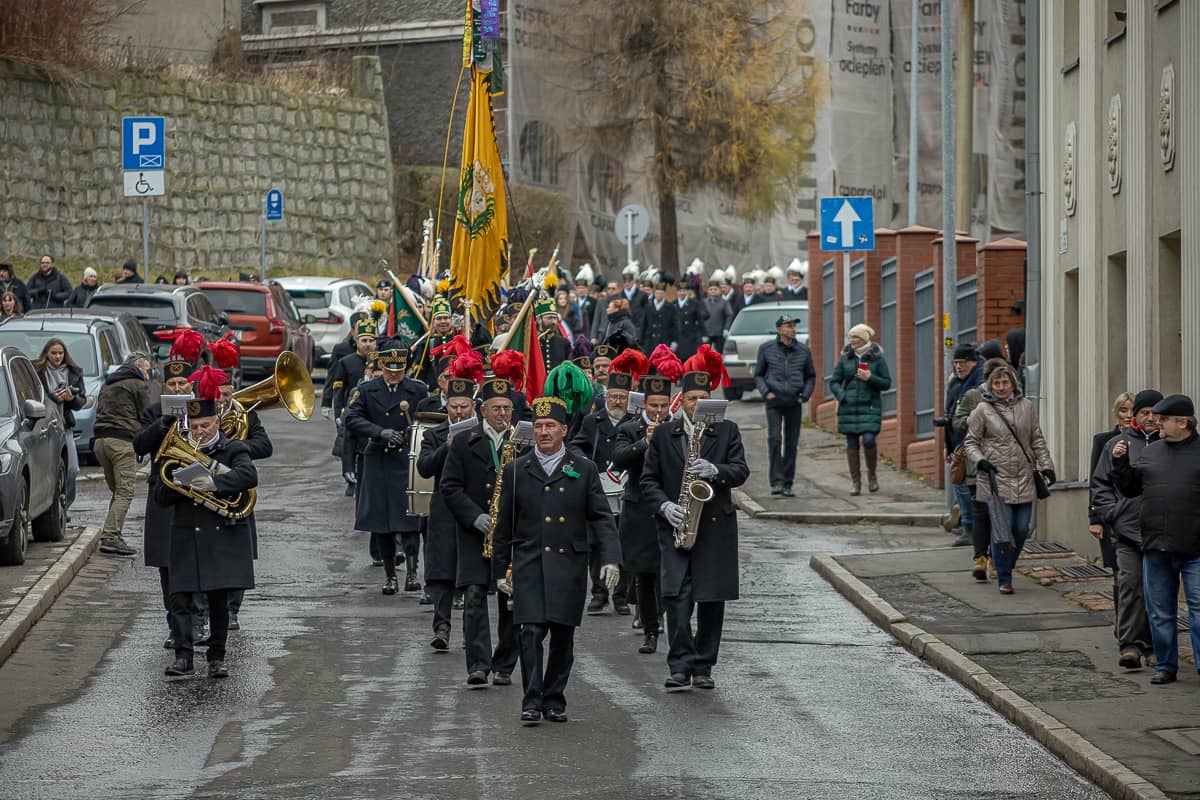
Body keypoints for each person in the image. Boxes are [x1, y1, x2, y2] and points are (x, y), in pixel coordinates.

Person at [491, 395, 621, 724]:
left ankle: (554, 698)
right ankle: (531, 700)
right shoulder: (517, 469)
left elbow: (602, 519)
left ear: (564, 430)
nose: (544, 432)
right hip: (529, 563)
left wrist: (610, 559)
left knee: (562, 637)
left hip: (568, 567)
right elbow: (503, 526)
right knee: (530, 633)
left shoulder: (583, 468)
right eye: (538, 426)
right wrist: (498, 572)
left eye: (550, 426)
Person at [642, 356, 749, 690]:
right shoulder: (664, 434)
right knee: (676, 597)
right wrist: (664, 506)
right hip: (677, 524)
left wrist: (716, 471)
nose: (698, 404)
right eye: (692, 399)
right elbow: (648, 481)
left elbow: (741, 471)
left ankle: (703, 666)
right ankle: (680, 664)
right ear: (682, 402)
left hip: (715, 527)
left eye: (704, 399)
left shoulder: (727, 430)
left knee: (711, 599)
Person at [159, 388, 258, 679]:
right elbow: (161, 497)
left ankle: (216, 657)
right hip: (186, 532)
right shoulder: (176, 453)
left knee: (218, 600)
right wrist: (181, 479)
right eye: (195, 426)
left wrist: (211, 482)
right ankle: (183, 657)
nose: (200, 432)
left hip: (220, 535)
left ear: (217, 423)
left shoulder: (233, 449)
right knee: (180, 598)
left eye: (205, 425)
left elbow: (248, 476)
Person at [440, 377, 524, 687]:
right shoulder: (464, 440)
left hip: (512, 534)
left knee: (510, 598)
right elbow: (450, 486)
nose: (502, 414)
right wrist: (475, 517)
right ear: (482, 409)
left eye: (507, 408)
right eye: (496, 408)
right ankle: (477, 664)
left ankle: (504, 663)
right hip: (474, 532)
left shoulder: (522, 441)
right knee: (474, 596)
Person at [1111, 394, 1200, 685]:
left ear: (1183, 422)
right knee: (1160, 611)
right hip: (1155, 545)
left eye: (1163, 420)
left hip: (1194, 546)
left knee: (1198, 610)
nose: (1156, 423)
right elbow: (1130, 489)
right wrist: (1121, 464)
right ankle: (1166, 665)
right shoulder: (1151, 452)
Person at [963, 362, 1055, 595]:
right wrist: (980, 460)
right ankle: (1004, 578)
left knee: (1022, 528)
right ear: (990, 385)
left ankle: (1006, 564)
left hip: (1024, 476)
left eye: (1005, 382)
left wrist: (1047, 466)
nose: (1001, 387)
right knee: (1002, 530)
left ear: (1013, 383)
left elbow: (1037, 439)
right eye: (997, 383)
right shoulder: (982, 410)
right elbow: (970, 441)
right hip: (996, 479)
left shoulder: (1026, 406)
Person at [344, 344, 428, 594]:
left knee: (410, 520)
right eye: (389, 370)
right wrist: (379, 431)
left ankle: (412, 573)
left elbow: (429, 417)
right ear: (381, 367)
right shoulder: (367, 390)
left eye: (399, 371)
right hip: (379, 459)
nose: (394, 375)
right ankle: (390, 574)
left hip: (406, 461)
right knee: (382, 523)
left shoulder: (418, 389)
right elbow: (351, 418)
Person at [133, 360, 202, 650]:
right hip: (162, 491)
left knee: (196, 559)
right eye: (172, 385)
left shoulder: (201, 410)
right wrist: (163, 423)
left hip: (195, 489)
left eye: (182, 384)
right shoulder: (153, 413)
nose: (177, 388)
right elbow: (138, 446)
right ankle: (174, 625)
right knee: (166, 563)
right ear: (164, 388)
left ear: (191, 386)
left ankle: (197, 622)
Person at [1090, 389, 1159, 670]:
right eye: (1145, 413)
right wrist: (1113, 513)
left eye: (1156, 413)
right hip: (1127, 531)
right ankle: (1130, 645)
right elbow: (1100, 485)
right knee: (1129, 586)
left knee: (1155, 590)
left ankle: (1155, 646)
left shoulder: (1167, 445)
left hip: (1160, 530)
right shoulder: (1117, 445)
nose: (1151, 418)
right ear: (1136, 416)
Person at [612, 374, 673, 654]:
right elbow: (619, 458)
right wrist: (644, 443)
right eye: (653, 406)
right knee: (646, 574)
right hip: (639, 509)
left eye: (663, 405)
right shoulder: (630, 427)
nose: (658, 411)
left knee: (669, 572)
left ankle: (669, 623)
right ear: (644, 404)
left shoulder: (676, 429)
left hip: (668, 508)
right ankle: (650, 629)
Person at [417, 376, 477, 651]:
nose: (458, 412)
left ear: (473, 406)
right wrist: (447, 446)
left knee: (471, 572)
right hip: (443, 510)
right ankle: (441, 626)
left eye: (464, 406)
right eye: (453, 406)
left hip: (473, 508)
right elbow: (425, 468)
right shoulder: (434, 434)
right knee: (441, 571)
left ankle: (470, 630)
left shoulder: (482, 433)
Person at [570, 371, 633, 615]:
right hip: (601, 487)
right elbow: (575, 444)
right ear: (605, 397)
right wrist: (586, 463)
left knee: (623, 540)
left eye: (622, 397)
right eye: (613, 396)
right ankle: (599, 592)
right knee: (596, 542)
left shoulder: (635, 421)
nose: (617, 402)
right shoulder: (592, 421)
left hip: (625, 488)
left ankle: (621, 595)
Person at [215, 371, 272, 630]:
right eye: (218, 394)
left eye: (227, 394)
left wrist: (233, 445)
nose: (223, 400)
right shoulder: (199, 414)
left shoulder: (245, 412)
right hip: (208, 489)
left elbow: (265, 446)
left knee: (240, 552)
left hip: (239, 490)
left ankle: (233, 609)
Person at [93, 352, 152, 556]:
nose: (148, 374)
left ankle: (113, 535)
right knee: (125, 492)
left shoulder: (109, 383)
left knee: (118, 490)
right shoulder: (137, 384)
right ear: (139, 367)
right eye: (147, 370)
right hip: (122, 441)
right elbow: (147, 415)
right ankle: (110, 536)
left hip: (100, 442)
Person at [753, 313, 815, 498]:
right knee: (774, 439)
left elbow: (811, 375)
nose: (792, 329)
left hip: (794, 401)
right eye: (788, 326)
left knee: (791, 444)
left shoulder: (803, 350)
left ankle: (788, 483)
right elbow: (758, 374)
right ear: (780, 329)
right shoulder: (767, 348)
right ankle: (776, 482)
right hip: (774, 401)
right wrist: (766, 392)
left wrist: (804, 395)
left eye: (794, 326)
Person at [829, 323, 892, 495]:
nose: (852, 341)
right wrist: (842, 396)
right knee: (851, 443)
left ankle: (872, 476)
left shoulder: (877, 358)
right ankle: (855, 482)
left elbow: (886, 383)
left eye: (855, 337)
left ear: (864, 338)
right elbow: (834, 381)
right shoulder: (846, 358)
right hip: (849, 407)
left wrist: (871, 377)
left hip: (870, 406)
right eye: (851, 337)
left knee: (869, 440)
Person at [940, 344, 987, 547]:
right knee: (960, 483)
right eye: (956, 363)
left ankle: (971, 527)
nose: (958, 366)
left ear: (973, 362)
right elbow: (950, 415)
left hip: (973, 443)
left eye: (962, 362)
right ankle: (968, 525)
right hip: (958, 443)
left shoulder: (979, 380)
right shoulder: (957, 382)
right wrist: (948, 446)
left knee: (967, 485)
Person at [33, 338, 86, 507]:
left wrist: (71, 398)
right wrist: (53, 399)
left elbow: (80, 402)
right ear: (46, 354)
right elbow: (33, 398)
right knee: (47, 471)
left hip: (64, 425)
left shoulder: (74, 372)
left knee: (72, 469)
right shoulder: (37, 371)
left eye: (61, 353)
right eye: (54, 353)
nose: (57, 357)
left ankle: (65, 505)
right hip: (44, 425)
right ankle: (49, 507)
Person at [1089, 392, 1136, 576]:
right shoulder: (1103, 440)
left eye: (1133, 410)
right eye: (1124, 410)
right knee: (1118, 570)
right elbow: (1096, 479)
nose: (1129, 415)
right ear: (1116, 412)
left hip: (1134, 513)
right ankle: (1121, 605)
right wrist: (1095, 519)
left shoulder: (1143, 440)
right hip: (1110, 512)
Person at [408, 297, 457, 382]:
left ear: (451, 320)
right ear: (433, 322)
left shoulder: (459, 341)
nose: (442, 321)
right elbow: (420, 373)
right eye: (438, 318)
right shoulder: (426, 344)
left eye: (446, 318)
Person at [641, 282, 679, 354]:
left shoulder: (670, 307)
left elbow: (675, 326)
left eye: (661, 293)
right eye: (657, 293)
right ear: (654, 293)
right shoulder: (648, 306)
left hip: (665, 340)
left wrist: (675, 341)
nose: (658, 295)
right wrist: (641, 341)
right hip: (650, 342)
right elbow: (644, 325)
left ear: (664, 294)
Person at [535, 297, 571, 369]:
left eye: (555, 318)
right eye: (550, 318)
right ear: (539, 320)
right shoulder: (533, 343)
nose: (554, 322)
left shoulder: (564, 343)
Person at [701, 280, 732, 356]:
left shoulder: (724, 302)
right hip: (707, 332)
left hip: (719, 332)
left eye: (715, 289)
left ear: (719, 290)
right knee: (705, 353)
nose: (713, 291)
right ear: (708, 291)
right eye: (711, 289)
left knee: (719, 354)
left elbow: (729, 315)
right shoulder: (704, 302)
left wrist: (726, 328)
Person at [675, 285, 703, 361]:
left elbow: (700, 320)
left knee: (690, 360)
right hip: (677, 337)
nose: (682, 293)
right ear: (677, 292)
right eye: (680, 291)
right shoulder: (673, 304)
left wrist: (704, 334)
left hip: (690, 337)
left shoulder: (694, 303)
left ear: (687, 292)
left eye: (684, 291)